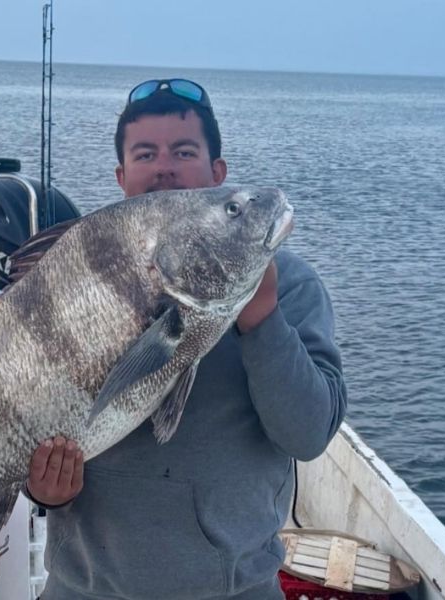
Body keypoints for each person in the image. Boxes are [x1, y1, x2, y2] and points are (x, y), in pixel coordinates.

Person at [25, 79, 347, 599]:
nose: (164, 167)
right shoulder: (74, 279)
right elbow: (25, 416)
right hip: (83, 590)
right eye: (145, 153)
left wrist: (261, 314)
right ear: (122, 177)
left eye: (184, 151)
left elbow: (308, 436)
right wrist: (42, 489)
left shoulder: (292, 287)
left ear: (218, 174)